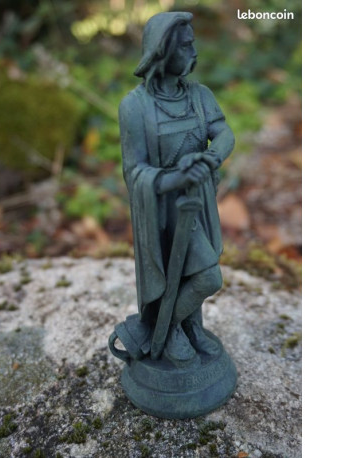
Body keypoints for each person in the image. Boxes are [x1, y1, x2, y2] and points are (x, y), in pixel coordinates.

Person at [119, 12, 235, 366]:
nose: (193, 52)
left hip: (198, 202)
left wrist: (210, 159)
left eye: (192, 43)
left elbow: (223, 133)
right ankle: (167, 328)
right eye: (185, 46)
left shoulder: (200, 96)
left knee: (192, 271)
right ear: (162, 50)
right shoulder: (135, 107)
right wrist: (176, 179)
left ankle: (188, 326)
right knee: (206, 277)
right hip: (163, 212)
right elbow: (135, 171)